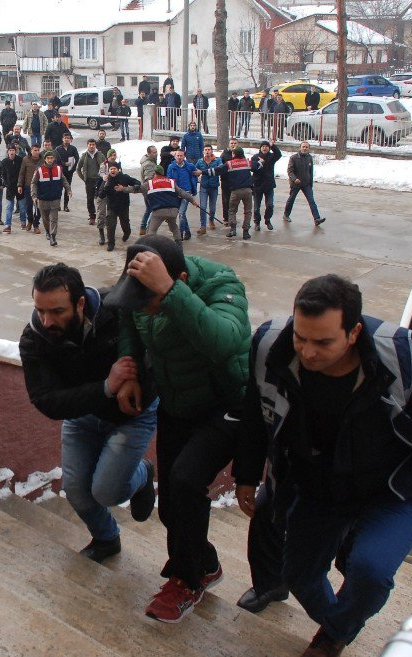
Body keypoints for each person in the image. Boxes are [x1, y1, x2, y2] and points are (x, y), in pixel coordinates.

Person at [234, 273, 412, 657]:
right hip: (319, 487)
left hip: (392, 487)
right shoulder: (270, 347)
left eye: (323, 342)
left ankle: (330, 639)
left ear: (353, 333)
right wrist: (246, 474)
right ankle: (338, 626)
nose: (308, 352)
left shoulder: (398, 359)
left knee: (370, 570)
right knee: (298, 574)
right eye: (301, 337)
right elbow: (255, 410)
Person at [104, 234, 251, 623]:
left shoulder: (221, 285)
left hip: (224, 405)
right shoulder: (142, 297)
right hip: (177, 402)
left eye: (151, 300)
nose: (146, 311)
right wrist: (131, 369)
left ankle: (188, 580)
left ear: (181, 279)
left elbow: (223, 340)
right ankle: (205, 562)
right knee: (171, 506)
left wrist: (170, 292)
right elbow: (128, 321)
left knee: (187, 483)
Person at [19, 263, 159, 563]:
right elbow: (46, 400)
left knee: (107, 492)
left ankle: (143, 474)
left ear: (80, 302)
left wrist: (135, 380)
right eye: (40, 310)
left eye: (57, 311)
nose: (46, 321)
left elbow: (155, 352)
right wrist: (107, 387)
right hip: (82, 416)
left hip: (130, 417)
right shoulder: (34, 338)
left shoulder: (117, 309)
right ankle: (106, 539)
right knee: (77, 491)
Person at [201, 146, 262, 240]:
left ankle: (233, 229)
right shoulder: (247, 162)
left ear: (234, 154)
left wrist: (202, 172)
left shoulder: (230, 164)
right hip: (247, 190)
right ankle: (246, 232)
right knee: (248, 211)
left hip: (235, 191)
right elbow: (259, 165)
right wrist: (261, 161)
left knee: (232, 210)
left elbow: (216, 171)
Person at [139, 165, 199, 242]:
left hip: (159, 211)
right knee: (174, 227)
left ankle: (150, 246)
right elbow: (182, 193)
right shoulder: (170, 182)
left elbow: (137, 189)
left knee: (152, 230)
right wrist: (193, 201)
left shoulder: (150, 183)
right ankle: (179, 245)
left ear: (154, 173)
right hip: (173, 210)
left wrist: (123, 189)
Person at [31, 150, 72, 247]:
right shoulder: (39, 170)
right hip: (42, 199)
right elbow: (34, 183)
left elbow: (63, 180)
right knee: (45, 219)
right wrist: (34, 195)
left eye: (51, 158)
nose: (50, 160)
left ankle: (53, 236)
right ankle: (47, 231)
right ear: (45, 159)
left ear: (54, 159)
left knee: (54, 218)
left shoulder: (58, 169)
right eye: (48, 158)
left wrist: (68, 189)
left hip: (55, 198)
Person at [97, 161, 139, 251]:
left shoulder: (124, 177)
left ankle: (127, 233)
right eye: (111, 169)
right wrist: (104, 183)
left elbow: (136, 182)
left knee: (125, 224)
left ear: (118, 170)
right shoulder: (106, 180)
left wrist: (135, 186)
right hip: (112, 207)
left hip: (123, 206)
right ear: (109, 170)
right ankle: (111, 244)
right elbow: (100, 195)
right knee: (110, 226)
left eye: (114, 169)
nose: (112, 170)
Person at [284, 141, 325, 227]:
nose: (305, 148)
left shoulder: (309, 157)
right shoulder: (293, 158)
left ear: (308, 148)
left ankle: (317, 219)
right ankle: (286, 215)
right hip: (296, 184)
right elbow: (290, 171)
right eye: (303, 147)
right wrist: (294, 179)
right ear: (300, 147)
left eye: (306, 147)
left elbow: (310, 171)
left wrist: (310, 183)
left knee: (311, 201)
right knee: (291, 199)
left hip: (306, 184)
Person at [166, 149, 199, 241]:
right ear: (175, 156)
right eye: (178, 156)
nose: (179, 157)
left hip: (186, 192)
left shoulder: (190, 166)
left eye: (181, 156)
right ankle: (187, 231)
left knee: (181, 213)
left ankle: (180, 233)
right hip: (176, 193)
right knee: (182, 214)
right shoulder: (171, 167)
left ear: (184, 156)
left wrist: (193, 188)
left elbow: (195, 175)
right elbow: (169, 180)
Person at [251, 140, 282, 232]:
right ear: (260, 148)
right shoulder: (255, 157)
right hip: (257, 185)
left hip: (269, 185)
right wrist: (259, 163)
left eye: (266, 146)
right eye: (263, 146)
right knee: (256, 208)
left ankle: (267, 220)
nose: (265, 148)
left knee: (270, 205)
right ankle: (257, 222)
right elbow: (252, 169)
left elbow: (278, 154)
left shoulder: (271, 156)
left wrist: (273, 146)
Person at [77, 138, 106, 226]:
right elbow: (78, 169)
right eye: (90, 144)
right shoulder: (84, 155)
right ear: (87, 145)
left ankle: (102, 217)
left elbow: (106, 166)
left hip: (99, 181)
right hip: (89, 181)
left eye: (93, 145)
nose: (92, 146)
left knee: (101, 198)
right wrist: (84, 178)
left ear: (95, 145)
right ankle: (92, 216)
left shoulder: (100, 155)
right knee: (90, 199)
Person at [95, 149, 120, 246]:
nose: (113, 157)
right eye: (111, 155)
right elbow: (101, 174)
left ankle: (110, 232)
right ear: (108, 156)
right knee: (101, 213)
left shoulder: (118, 165)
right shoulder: (104, 165)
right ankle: (101, 233)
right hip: (103, 191)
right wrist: (105, 176)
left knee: (112, 214)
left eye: (114, 155)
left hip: (113, 193)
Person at [17, 143, 44, 234]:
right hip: (28, 186)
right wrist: (20, 185)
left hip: (40, 187)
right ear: (31, 151)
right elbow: (21, 173)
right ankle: (30, 221)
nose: (36, 152)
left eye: (38, 150)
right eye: (35, 150)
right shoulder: (25, 159)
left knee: (38, 207)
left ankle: (36, 224)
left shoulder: (43, 160)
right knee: (28, 206)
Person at [194, 145, 221, 234]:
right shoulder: (200, 161)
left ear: (212, 151)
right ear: (203, 151)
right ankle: (203, 226)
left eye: (209, 150)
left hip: (214, 187)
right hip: (204, 187)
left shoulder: (217, 160)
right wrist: (197, 174)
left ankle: (211, 220)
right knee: (203, 207)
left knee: (212, 207)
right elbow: (195, 170)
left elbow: (219, 169)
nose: (207, 151)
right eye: (205, 150)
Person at [2, 144, 27, 232]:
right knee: (9, 207)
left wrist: (21, 184)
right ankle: (8, 225)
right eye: (10, 150)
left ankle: (23, 222)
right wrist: (5, 183)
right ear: (8, 151)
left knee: (22, 206)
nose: (11, 152)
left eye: (13, 150)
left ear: (15, 151)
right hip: (10, 188)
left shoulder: (20, 160)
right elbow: (3, 174)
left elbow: (23, 172)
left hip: (20, 187)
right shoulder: (4, 162)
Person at [55, 132, 79, 213]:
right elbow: (56, 160)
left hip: (69, 172)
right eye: (65, 138)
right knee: (58, 189)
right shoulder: (58, 149)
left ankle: (66, 205)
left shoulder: (73, 148)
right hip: (60, 172)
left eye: (68, 138)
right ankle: (58, 205)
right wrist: (64, 163)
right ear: (62, 139)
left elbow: (77, 158)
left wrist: (74, 168)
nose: (66, 139)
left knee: (67, 188)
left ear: (70, 140)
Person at [139, 144, 158, 235]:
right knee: (154, 210)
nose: (156, 154)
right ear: (148, 153)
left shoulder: (150, 161)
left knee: (149, 209)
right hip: (150, 191)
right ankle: (148, 229)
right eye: (154, 152)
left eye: (156, 151)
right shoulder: (149, 164)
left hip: (147, 191)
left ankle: (143, 227)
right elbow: (149, 180)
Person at [219, 138, 238, 225]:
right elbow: (220, 167)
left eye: (235, 143)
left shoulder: (239, 153)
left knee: (234, 200)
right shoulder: (224, 154)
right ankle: (226, 218)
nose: (233, 145)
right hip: (226, 180)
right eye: (231, 143)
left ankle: (232, 217)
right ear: (229, 144)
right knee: (226, 200)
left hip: (235, 181)